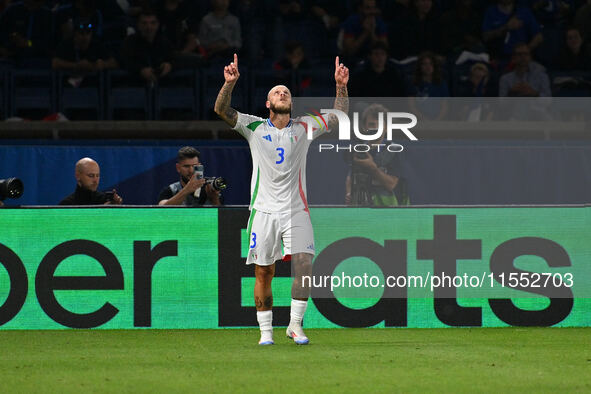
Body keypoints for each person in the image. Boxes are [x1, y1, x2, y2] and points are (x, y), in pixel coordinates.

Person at [214, 53, 349, 346]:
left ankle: (295, 326)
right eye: (277, 92)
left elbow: (339, 118)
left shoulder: (304, 126)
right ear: (268, 104)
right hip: (262, 212)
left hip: (296, 210)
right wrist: (229, 83)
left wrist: (340, 86)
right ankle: (265, 333)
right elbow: (221, 109)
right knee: (264, 272)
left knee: (304, 264)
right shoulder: (254, 127)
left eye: (286, 92)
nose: (283, 93)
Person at [345, 104, 408, 206]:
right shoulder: (359, 149)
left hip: (387, 211)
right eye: (371, 124)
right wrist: (349, 193)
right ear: (364, 127)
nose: (376, 128)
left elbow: (391, 184)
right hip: (361, 209)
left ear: (387, 127)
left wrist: (372, 168)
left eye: (379, 125)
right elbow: (350, 178)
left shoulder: (395, 150)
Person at [52, 18, 118, 86]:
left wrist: (102, 64)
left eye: (88, 33)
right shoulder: (66, 44)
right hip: (69, 84)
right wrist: (76, 65)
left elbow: (114, 63)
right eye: (81, 33)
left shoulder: (96, 44)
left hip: (93, 85)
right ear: (75, 34)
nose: (85, 37)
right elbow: (55, 63)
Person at [120, 8, 173, 85]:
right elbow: (124, 60)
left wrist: (169, 65)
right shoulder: (130, 42)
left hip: (163, 86)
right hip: (134, 85)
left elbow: (173, 57)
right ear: (138, 25)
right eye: (144, 23)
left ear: (158, 24)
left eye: (153, 23)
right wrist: (140, 70)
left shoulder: (164, 42)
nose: (149, 27)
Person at [158, 146, 222, 206]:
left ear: (199, 166)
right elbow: (162, 210)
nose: (191, 170)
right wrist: (187, 189)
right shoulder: (170, 190)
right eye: (186, 166)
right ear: (178, 168)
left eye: (194, 166)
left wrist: (214, 199)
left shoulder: (209, 189)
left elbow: (223, 216)